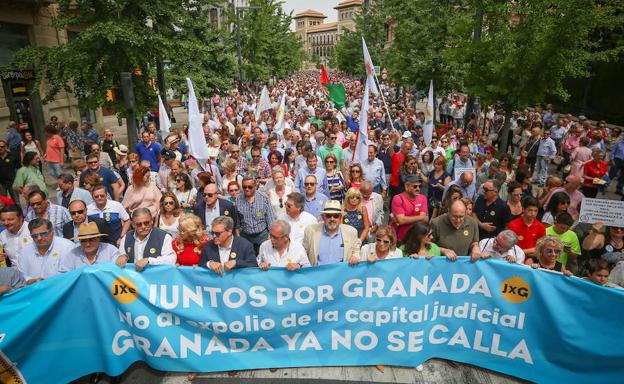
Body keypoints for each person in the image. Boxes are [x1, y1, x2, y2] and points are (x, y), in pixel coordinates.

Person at [16, 218, 76, 284]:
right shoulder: (25, 251)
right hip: (33, 290)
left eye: (43, 234)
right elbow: (21, 274)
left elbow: (71, 275)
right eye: (34, 236)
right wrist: (29, 280)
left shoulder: (67, 247)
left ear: (52, 232)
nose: (39, 238)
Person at [115, 208, 176, 272]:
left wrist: (149, 261)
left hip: (155, 278)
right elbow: (121, 254)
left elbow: (171, 259)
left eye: (146, 223)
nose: (143, 227)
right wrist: (123, 257)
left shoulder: (164, 237)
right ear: (133, 224)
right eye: (139, 224)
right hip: (131, 279)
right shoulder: (127, 237)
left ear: (152, 221)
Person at [302, 200, 361, 266]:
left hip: (341, 274)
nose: (332, 219)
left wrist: (355, 256)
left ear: (341, 218)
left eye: (336, 216)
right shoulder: (311, 231)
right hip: (318, 274)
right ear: (323, 217)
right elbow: (303, 253)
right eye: (328, 215)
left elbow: (356, 250)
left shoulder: (351, 232)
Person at [391, 174, 429, 244]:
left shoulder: (423, 198)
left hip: (418, 238)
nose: (418, 189)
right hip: (401, 238)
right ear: (406, 186)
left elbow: (425, 219)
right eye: (415, 186)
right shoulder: (398, 198)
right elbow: (401, 220)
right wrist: (420, 217)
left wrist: (406, 219)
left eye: (420, 186)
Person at [507, 196, 546, 264]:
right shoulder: (513, 225)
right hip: (513, 260)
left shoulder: (541, 227)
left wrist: (522, 252)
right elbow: (509, 247)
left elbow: (540, 250)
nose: (533, 213)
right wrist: (529, 251)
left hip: (532, 261)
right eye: (530, 210)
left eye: (535, 211)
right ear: (523, 209)